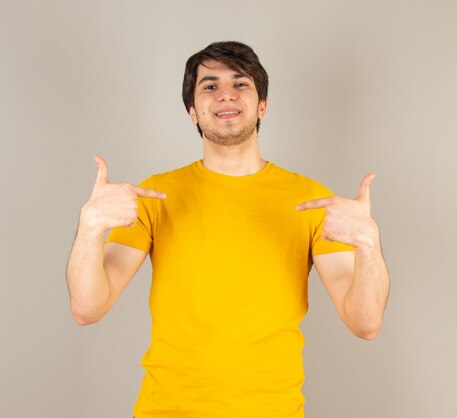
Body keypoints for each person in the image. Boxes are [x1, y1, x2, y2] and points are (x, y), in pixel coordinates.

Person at [66, 41, 390, 418]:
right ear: (192, 111)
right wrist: (90, 227)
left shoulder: (311, 200)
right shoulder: (154, 195)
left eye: (241, 84)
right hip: (167, 410)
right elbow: (87, 308)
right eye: (209, 86)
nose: (225, 95)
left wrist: (369, 242)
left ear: (262, 105)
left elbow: (365, 323)